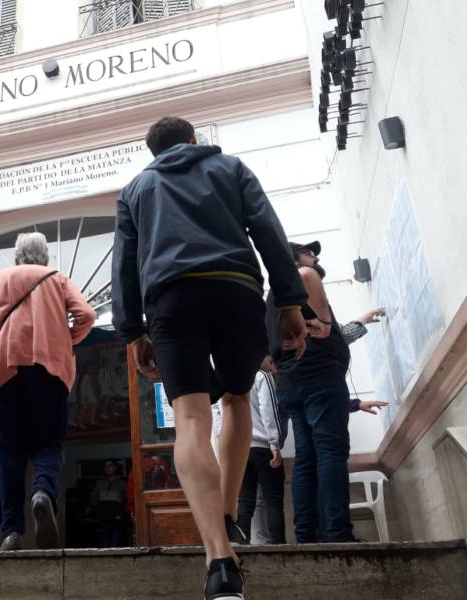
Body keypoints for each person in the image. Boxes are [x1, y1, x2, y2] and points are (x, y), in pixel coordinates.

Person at [111, 116, 309, 600]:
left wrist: (133, 331)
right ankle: (226, 513)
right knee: (238, 398)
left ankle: (219, 560)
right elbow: (268, 230)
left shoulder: (136, 190)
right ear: (194, 140)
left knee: (190, 417)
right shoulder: (230, 168)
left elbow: (124, 265)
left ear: (153, 152)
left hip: (171, 298)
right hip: (236, 289)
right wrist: (289, 301)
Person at [0, 232, 95, 550]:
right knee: (48, 442)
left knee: (9, 453)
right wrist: (66, 339)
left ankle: (11, 532)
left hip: (4, 372)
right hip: (49, 369)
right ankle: (42, 492)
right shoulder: (57, 278)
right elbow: (87, 315)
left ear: (16, 257)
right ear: (46, 257)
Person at [267, 241, 388, 544]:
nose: (315, 257)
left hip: (291, 381)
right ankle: (337, 534)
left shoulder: (276, 294)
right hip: (319, 376)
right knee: (331, 452)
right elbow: (324, 327)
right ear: (294, 258)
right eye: (309, 252)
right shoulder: (303, 276)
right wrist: (325, 323)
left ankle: (306, 536)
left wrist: (359, 322)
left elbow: (331, 334)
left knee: (307, 458)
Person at [236, 368, 285, 544]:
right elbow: (268, 409)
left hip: (238, 449)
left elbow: (218, 414)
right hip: (263, 446)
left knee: (245, 501)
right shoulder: (260, 376)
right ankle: (280, 547)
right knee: (273, 501)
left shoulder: (224, 377)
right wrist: (275, 443)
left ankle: (242, 547)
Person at [89, 460, 128, 547]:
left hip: (118, 517)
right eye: (106, 466)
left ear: (115, 468)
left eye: (110, 465)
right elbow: (94, 499)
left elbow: (127, 499)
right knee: (104, 542)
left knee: (115, 542)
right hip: (103, 517)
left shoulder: (122, 483)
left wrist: (123, 513)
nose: (108, 468)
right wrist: (97, 511)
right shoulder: (99, 483)